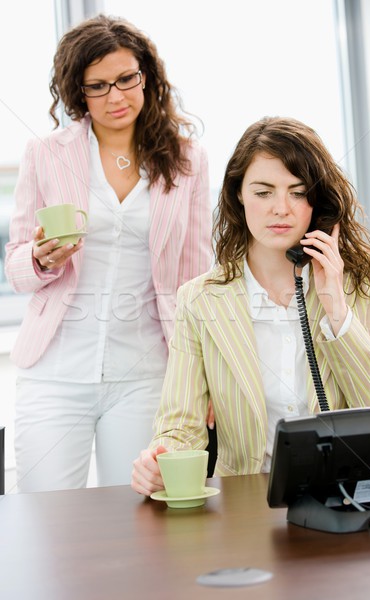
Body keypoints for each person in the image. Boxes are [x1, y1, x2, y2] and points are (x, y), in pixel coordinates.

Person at [131, 115, 370, 496]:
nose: (281, 209)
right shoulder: (199, 299)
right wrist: (160, 461)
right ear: (238, 195)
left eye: (298, 191)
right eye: (263, 192)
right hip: (245, 506)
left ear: (318, 202)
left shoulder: (359, 284)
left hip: (345, 498)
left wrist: (337, 312)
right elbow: (180, 427)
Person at [5, 14, 212, 492]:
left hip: (146, 372)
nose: (116, 97)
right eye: (98, 86)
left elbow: (196, 276)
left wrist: (202, 374)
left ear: (148, 77)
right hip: (55, 372)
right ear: (78, 92)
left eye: (126, 79)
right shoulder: (44, 153)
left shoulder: (188, 161)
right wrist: (41, 258)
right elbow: (16, 264)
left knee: (137, 515)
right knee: (47, 519)